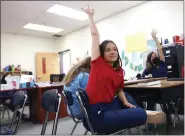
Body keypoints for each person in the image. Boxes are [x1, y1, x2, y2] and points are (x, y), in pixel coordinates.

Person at [81, 5, 147, 134]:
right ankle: (134, 112)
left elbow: (119, 89)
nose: (112, 52)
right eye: (108, 50)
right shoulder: (97, 63)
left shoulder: (118, 71)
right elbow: (94, 35)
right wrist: (90, 16)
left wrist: (126, 103)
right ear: (102, 53)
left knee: (126, 96)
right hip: (97, 114)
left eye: (115, 49)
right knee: (142, 114)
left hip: (108, 106)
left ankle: (130, 110)